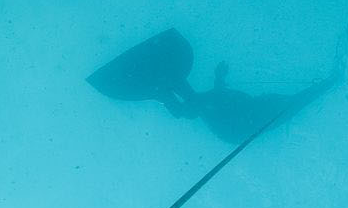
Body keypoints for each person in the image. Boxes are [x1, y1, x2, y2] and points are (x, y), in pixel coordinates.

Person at [85, 28, 333, 145]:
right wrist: (218, 78)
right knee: (195, 102)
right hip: (232, 121)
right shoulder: (250, 104)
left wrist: (327, 84)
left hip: (233, 128)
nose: (268, 93)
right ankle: (164, 90)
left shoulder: (258, 111)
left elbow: (197, 107)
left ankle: (163, 90)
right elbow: (207, 102)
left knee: (193, 103)